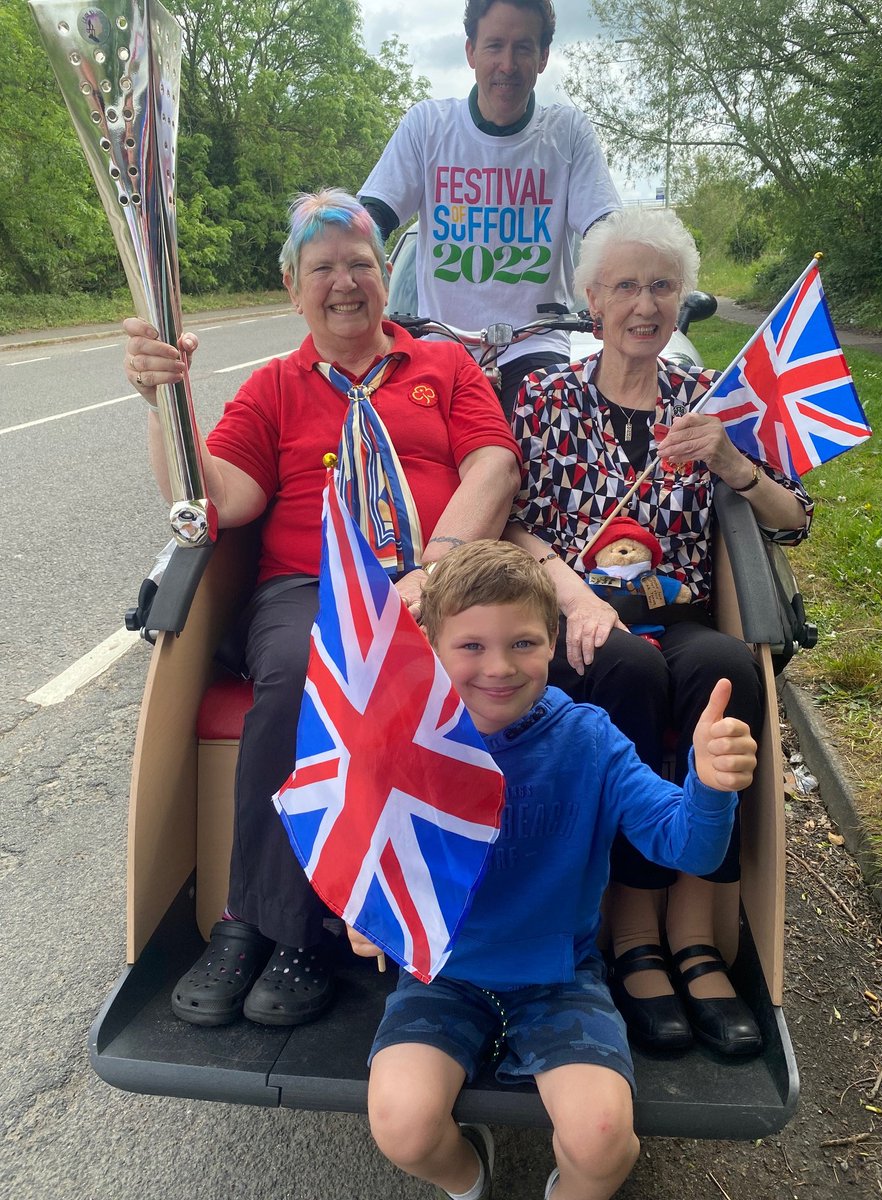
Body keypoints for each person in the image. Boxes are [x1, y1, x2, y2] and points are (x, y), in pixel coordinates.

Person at [122, 189, 522, 1027]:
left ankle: (469, 917)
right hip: (310, 584)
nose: (344, 282)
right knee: (310, 664)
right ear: (292, 287)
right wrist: (168, 403)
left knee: (503, 669)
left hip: (434, 578)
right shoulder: (273, 387)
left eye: (360, 264)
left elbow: (493, 466)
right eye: (322, 268)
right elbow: (218, 496)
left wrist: (433, 572)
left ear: (385, 277)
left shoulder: (446, 369)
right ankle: (266, 924)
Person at [348, 540, 757, 1200]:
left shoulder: (588, 739)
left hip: (559, 979)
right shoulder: (403, 742)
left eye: (524, 644)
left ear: (553, 643)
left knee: (602, 1141)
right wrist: (365, 915)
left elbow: (691, 850)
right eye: (471, 646)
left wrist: (708, 787)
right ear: (430, 645)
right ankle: (468, 1178)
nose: (500, 668)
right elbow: (361, 849)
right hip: (443, 979)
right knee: (404, 1127)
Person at [506, 206, 814, 1056]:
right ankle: (635, 927)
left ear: (682, 300)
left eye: (663, 287)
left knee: (727, 671)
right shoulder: (544, 397)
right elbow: (514, 522)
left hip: (674, 612)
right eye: (627, 286)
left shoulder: (705, 405)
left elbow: (793, 518)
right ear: (593, 302)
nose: (646, 304)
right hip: (575, 615)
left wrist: (731, 462)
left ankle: (696, 928)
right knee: (626, 674)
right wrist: (571, 593)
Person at [359, 0, 620, 417]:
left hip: (535, 345)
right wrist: (344, 271)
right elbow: (368, 221)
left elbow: (607, 234)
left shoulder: (567, 134)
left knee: (548, 436)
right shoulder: (428, 127)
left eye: (523, 48)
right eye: (494, 45)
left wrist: (622, 287)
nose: (508, 64)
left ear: (543, 57)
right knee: (418, 449)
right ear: (470, 52)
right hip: (443, 346)